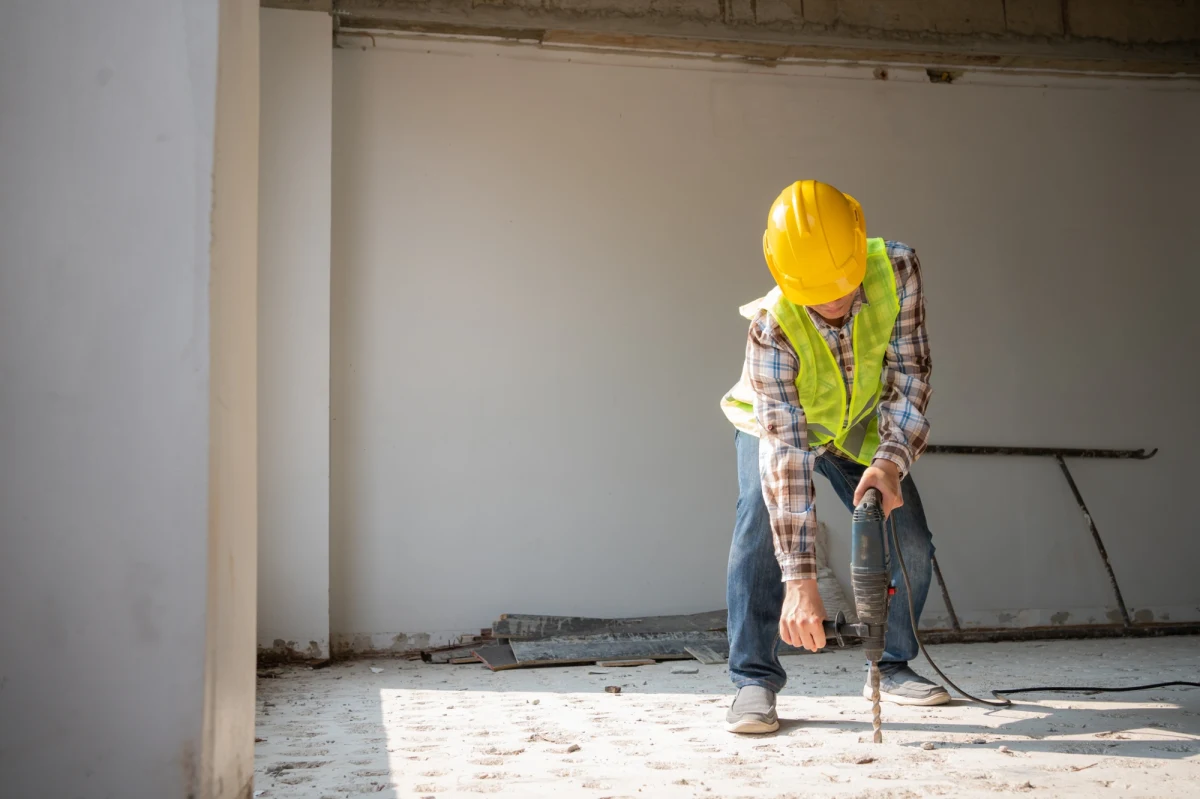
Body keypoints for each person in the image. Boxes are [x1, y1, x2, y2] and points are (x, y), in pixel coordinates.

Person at [719, 179, 949, 735]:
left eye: (843, 287)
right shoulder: (770, 328)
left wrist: (890, 463)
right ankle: (754, 680)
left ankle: (890, 667)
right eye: (816, 293)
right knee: (758, 524)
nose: (833, 302)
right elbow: (788, 456)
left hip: (862, 425)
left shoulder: (897, 269)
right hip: (780, 428)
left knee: (909, 539)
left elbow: (911, 376)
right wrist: (801, 580)